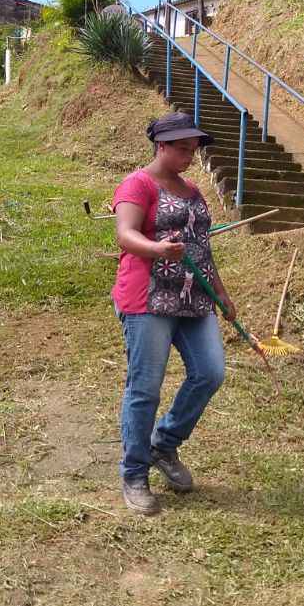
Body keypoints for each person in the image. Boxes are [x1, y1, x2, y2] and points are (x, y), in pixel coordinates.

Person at [111, 111, 235, 515]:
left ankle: (163, 445)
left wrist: (220, 292)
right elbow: (126, 235)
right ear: (161, 146)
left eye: (192, 150)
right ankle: (134, 474)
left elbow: (202, 248)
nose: (189, 156)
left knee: (210, 372)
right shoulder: (138, 184)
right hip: (147, 298)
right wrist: (157, 249)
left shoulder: (193, 191)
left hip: (192, 298)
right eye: (182, 149)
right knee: (145, 387)